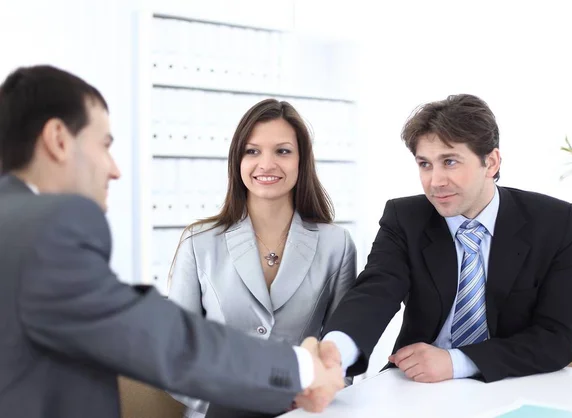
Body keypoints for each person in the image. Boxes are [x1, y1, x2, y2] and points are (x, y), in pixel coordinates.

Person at [0, 65, 344, 418]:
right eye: (104, 145)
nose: (114, 169)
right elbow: (164, 339)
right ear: (58, 139)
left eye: (283, 151)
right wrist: (298, 369)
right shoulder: (43, 229)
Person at [321, 94, 572, 394]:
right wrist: (333, 354)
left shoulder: (553, 222)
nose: (435, 181)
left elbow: (555, 340)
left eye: (449, 162)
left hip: (513, 383)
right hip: (419, 388)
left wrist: (457, 361)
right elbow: (374, 293)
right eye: (425, 164)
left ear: (491, 162)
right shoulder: (405, 218)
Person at [167, 98, 357, 418]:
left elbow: (342, 352)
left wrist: (317, 394)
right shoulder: (198, 242)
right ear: (237, 160)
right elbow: (174, 352)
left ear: (301, 160)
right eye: (252, 151)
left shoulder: (336, 245)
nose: (266, 164)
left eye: (282, 151)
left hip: (302, 411)